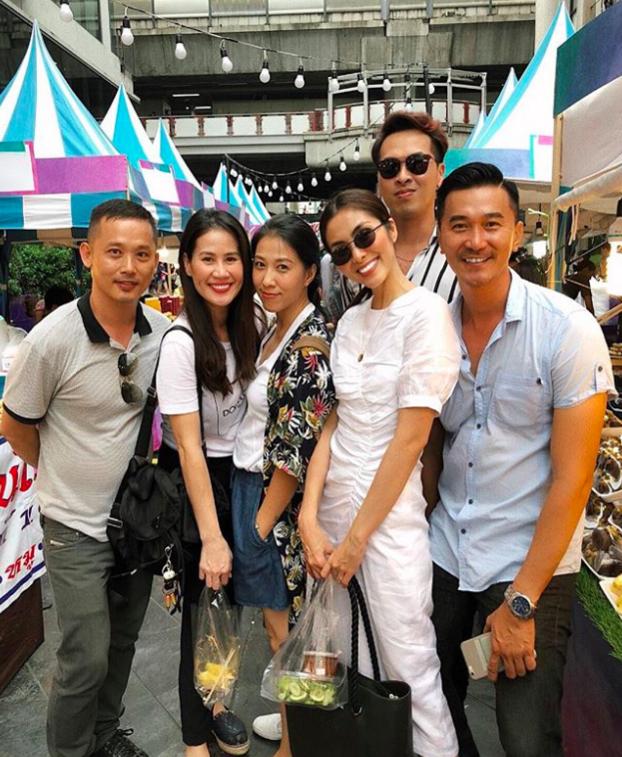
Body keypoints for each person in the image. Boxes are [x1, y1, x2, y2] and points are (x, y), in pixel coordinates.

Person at [426, 163, 614, 757]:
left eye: (491, 224)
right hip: (445, 547)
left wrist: (523, 601)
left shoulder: (566, 329)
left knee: (527, 736)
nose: (475, 240)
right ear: (440, 233)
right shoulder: (433, 329)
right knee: (432, 710)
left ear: (516, 230)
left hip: (529, 559)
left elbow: (573, 479)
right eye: (459, 225)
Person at [1, 200, 170, 757]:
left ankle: (104, 734)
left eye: (141, 254)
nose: (129, 266)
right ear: (87, 255)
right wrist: (60, 472)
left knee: (122, 643)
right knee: (85, 656)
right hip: (73, 525)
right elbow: (16, 424)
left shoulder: (164, 334)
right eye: (114, 252)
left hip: (137, 524)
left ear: (155, 260)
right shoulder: (51, 340)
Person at [299, 188, 461, 757]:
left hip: (388, 522)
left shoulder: (429, 315)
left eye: (364, 237)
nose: (358, 256)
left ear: (389, 229)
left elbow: (411, 438)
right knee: (347, 657)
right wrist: (308, 516)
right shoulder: (348, 322)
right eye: (342, 252)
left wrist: (357, 540)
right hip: (333, 511)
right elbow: (332, 422)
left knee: (407, 659)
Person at [231, 214, 336, 757]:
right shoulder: (278, 326)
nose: (267, 279)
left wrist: (261, 522)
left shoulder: (308, 348)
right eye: (260, 265)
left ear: (309, 273)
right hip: (259, 490)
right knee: (285, 629)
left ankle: (295, 745)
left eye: (283, 267)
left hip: (276, 500)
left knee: (285, 634)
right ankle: (297, 727)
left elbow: (296, 451)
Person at [156, 210, 258, 757]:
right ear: (188, 266)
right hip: (199, 482)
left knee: (228, 608)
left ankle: (216, 706)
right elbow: (190, 447)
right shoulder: (181, 342)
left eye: (231, 259)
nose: (221, 271)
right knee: (201, 611)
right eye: (208, 259)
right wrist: (213, 535)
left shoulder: (253, 322)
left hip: (242, 478)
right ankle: (195, 742)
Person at [323, 111, 458, 323]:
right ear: (379, 178)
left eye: (417, 164)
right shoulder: (356, 258)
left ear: (440, 173)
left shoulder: (462, 251)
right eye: (390, 168)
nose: (403, 177)